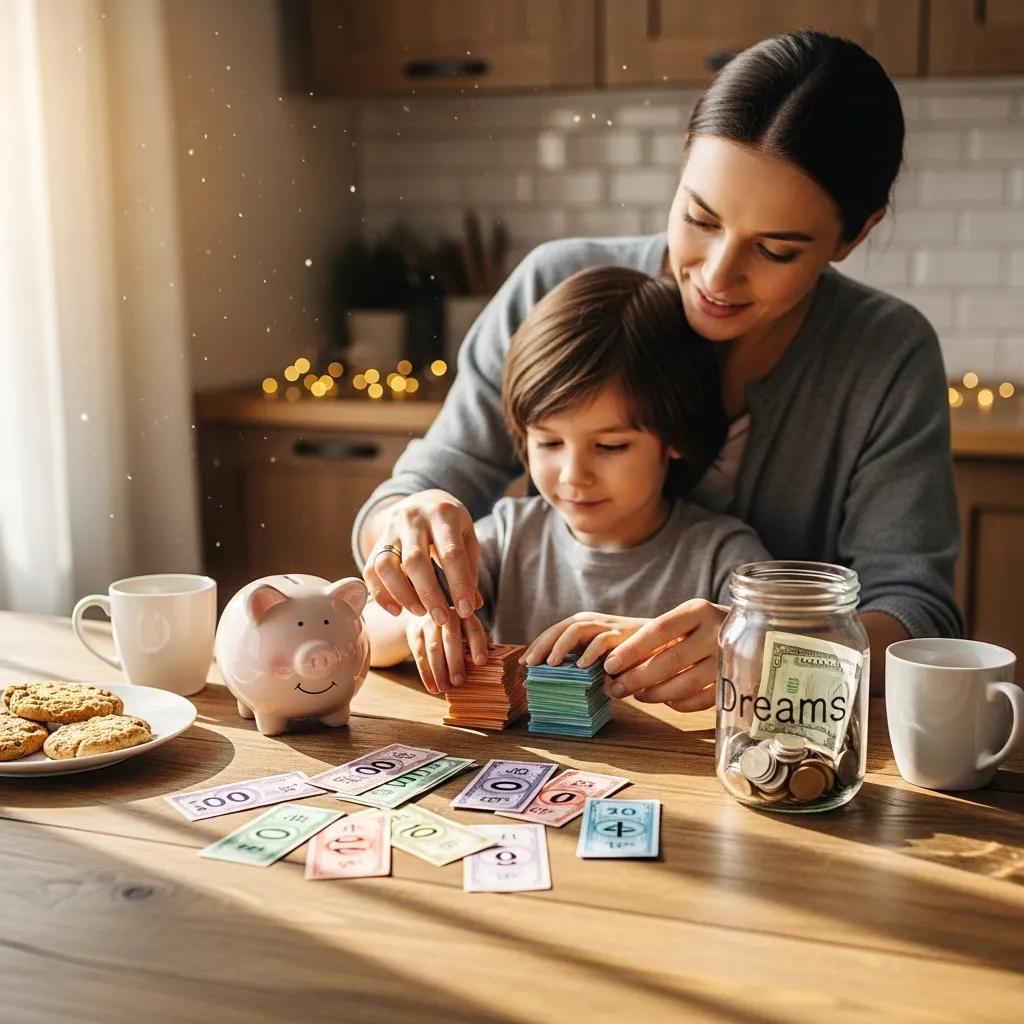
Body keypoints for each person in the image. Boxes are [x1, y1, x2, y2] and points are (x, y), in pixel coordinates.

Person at [354, 30, 962, 713]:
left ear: (856, 233)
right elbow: (410, 501)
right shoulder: (556, 289)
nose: (717, 274)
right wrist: (405, 529)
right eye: (699, 218)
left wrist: (760, 646)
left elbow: (917, 617)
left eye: (777, 250)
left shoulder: (886, 355)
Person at [364, 266, 770, 693]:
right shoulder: (508, 537)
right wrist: (421, 616)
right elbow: (368, 631)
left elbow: (786, 667)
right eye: (549, 443)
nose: (574, 476)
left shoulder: (724, 557)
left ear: (675, 437)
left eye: (611, 446)